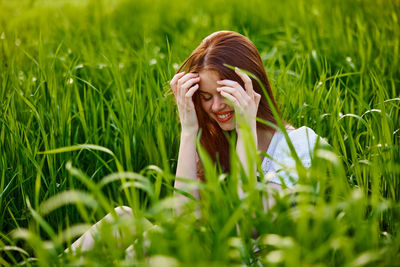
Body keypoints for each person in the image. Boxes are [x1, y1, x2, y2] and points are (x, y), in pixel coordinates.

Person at [67, 30, 321, 253]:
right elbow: (184, 220)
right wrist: (189, 131)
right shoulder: (217, 143)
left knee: (155, 241)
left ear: (251, 86)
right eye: (206, 97)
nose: (217, 106)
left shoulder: (300, 144)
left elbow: (246, 223)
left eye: (225, 94)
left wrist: (246, 130)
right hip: (207, 253)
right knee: (122, 217)